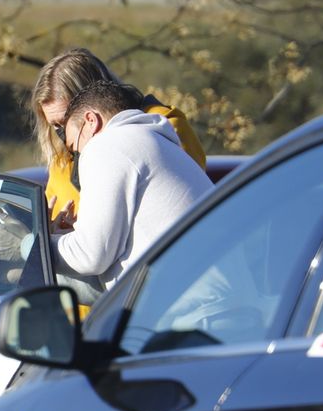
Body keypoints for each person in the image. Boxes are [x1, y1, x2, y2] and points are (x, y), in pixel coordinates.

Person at [48, 78, 212, 291]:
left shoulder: (106, 145)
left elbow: (91, 255)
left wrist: (29, 247)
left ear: (91, 120)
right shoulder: (153, 142)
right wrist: (75, 235)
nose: (77, 157)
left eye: (74, 147)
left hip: (191, 307)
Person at [29, 47, 206, 222]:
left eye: (67, 121)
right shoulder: (61, 163)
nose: (65, 137)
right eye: (56, 126)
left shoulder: (162, 128)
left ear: (93, 105)